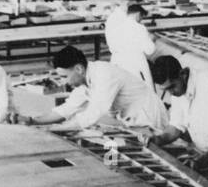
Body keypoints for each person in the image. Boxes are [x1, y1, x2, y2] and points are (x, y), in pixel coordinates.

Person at [34, 45, 168, 132]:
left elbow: (93, 113)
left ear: (79, 69)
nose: (63, 82)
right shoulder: (84, 81)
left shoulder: (104, 74)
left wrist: (55, 129)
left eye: (64, 76)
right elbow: (65, 110)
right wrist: (32, 121)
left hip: (148, 115)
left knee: (150, 152)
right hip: (131, 117)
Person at [150, 54, 208, 172]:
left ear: (183, 74)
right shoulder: (178, 91)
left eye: (172, 87)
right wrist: (157, 140)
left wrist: (199, 162)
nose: (171, 93)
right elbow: (175, 128)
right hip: (203, 154)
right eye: (166, 90)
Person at [105, 0, 157, 86]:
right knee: (143, 93)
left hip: (117, 62)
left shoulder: (114, 21)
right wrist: (152, 39)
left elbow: (111, 45)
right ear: (138, 14)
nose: (140, 20)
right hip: (136, 65)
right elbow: (149, 50)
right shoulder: (139, 27)